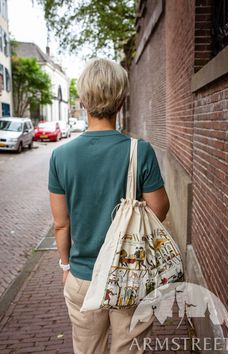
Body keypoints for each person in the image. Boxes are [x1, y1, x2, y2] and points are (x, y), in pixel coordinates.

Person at [48, 58, 170, 354]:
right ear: (121, 98)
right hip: (130, 275)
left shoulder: (60, 157)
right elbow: (160, 209)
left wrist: (66, 266)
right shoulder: (139, 151)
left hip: (82, 277)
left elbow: (61, 224)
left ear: (82, 98)